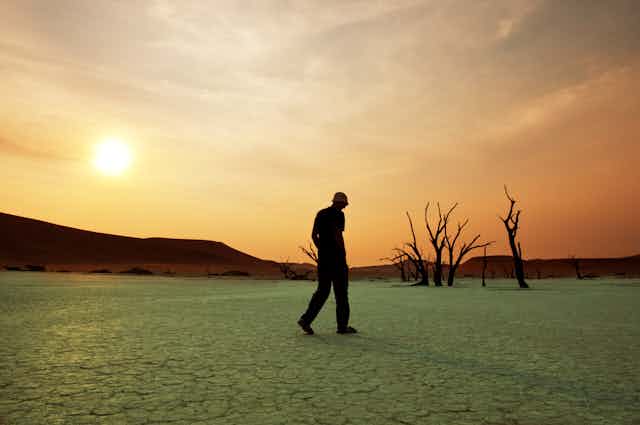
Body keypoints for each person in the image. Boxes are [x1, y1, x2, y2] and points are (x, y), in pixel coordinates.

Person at [298, 192, 357, 335]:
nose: (345, 207)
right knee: (341, 293)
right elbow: (338, 235)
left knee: (322, 291)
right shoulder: (339, 215)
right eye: (344, 204)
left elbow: (313, 235)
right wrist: (341, 254)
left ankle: (306, 320)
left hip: (324, 259)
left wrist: (322, 250)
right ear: (340, 203)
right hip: (337, 259)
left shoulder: (321, 213)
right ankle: (342, 327)